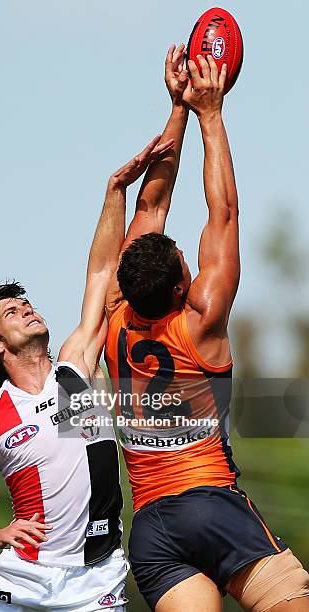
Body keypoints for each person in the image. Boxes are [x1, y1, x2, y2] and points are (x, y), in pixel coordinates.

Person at [104, 49, 309, 611]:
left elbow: (151, 206)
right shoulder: (201, 321)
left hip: (150, 530)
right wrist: (210, 114)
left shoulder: (114, 313)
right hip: (211, 504)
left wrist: (175, 108)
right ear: (179, 289)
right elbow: (223, 214)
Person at [0, 135, 174, 612]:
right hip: (25, 584)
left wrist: (114, 192)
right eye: (10, 311)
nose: (26, 308)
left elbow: (100, 274)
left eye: (25, 302)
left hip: (99, 582)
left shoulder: (76, 369)